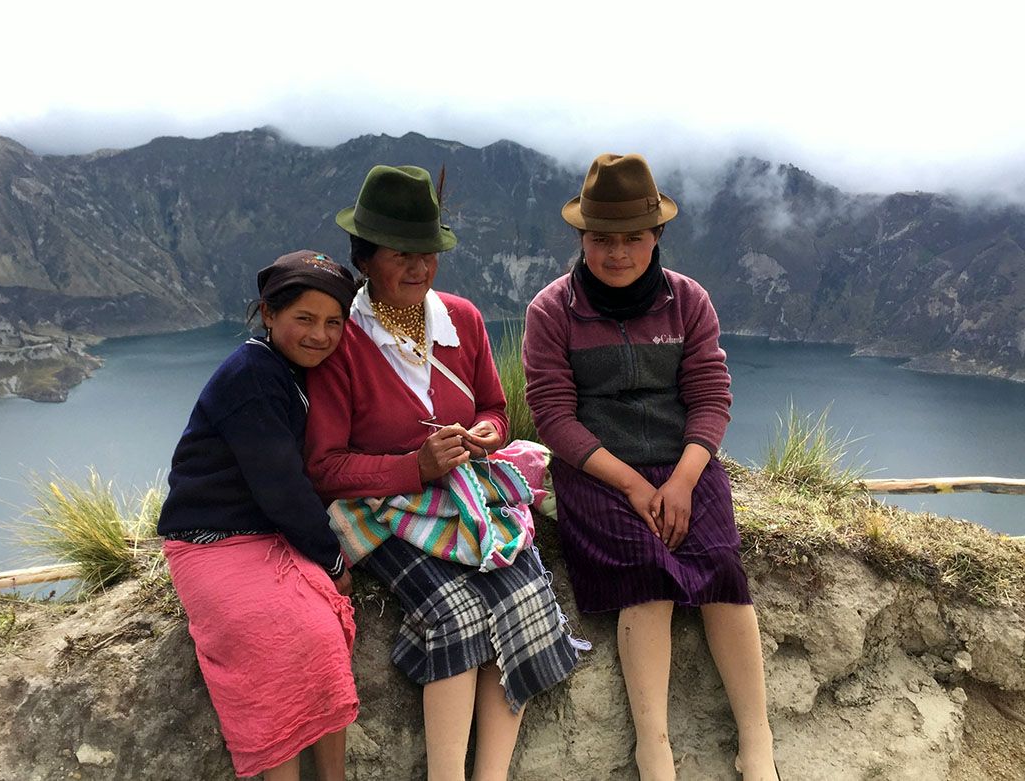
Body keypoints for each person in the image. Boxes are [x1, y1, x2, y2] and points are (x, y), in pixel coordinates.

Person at [305, 165, 582, 781]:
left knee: (525, 601)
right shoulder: (342, 341)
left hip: (463, 495)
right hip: (381, 507)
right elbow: (323, 466)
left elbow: (493, 407)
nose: (418, 268)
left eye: (426, 253)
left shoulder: (461, 320)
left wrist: (489, 433)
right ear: (366, 259)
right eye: (400, 254)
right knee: (456, 612)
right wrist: (413, 467)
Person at [522, 154, 779, 781]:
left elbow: (711, 396)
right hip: (597, 469)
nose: (617, 253)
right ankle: (653, 746)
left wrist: (686, 479)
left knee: (721, 568)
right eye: (601, 239)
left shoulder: (688, 300)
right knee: (648, 572)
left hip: (686, 459)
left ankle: (758, 738)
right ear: (581, 238)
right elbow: (554, 416)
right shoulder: (551, 311)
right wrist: (636, 484)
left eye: (632, 237)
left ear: (656, 236)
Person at [157, 250, 361, 781]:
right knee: (271, 640)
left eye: (334, 323)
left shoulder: (283, 368)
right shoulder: (253, 376)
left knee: (320, 634)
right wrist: (333, 557)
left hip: (260, 536)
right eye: (305, 319)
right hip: (210, 542)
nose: (321, 334)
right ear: (269, 315)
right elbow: (280, 485)